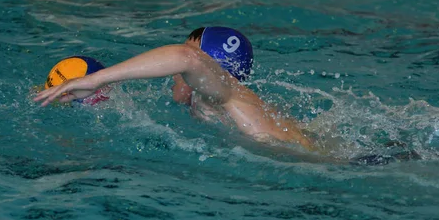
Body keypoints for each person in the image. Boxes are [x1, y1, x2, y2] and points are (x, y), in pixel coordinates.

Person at [34, 26, 326, 155]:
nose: (173, 71)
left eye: (194, 62)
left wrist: (93, 80)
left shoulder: (221, 97)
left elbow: (183, 58)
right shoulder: (216, 103)